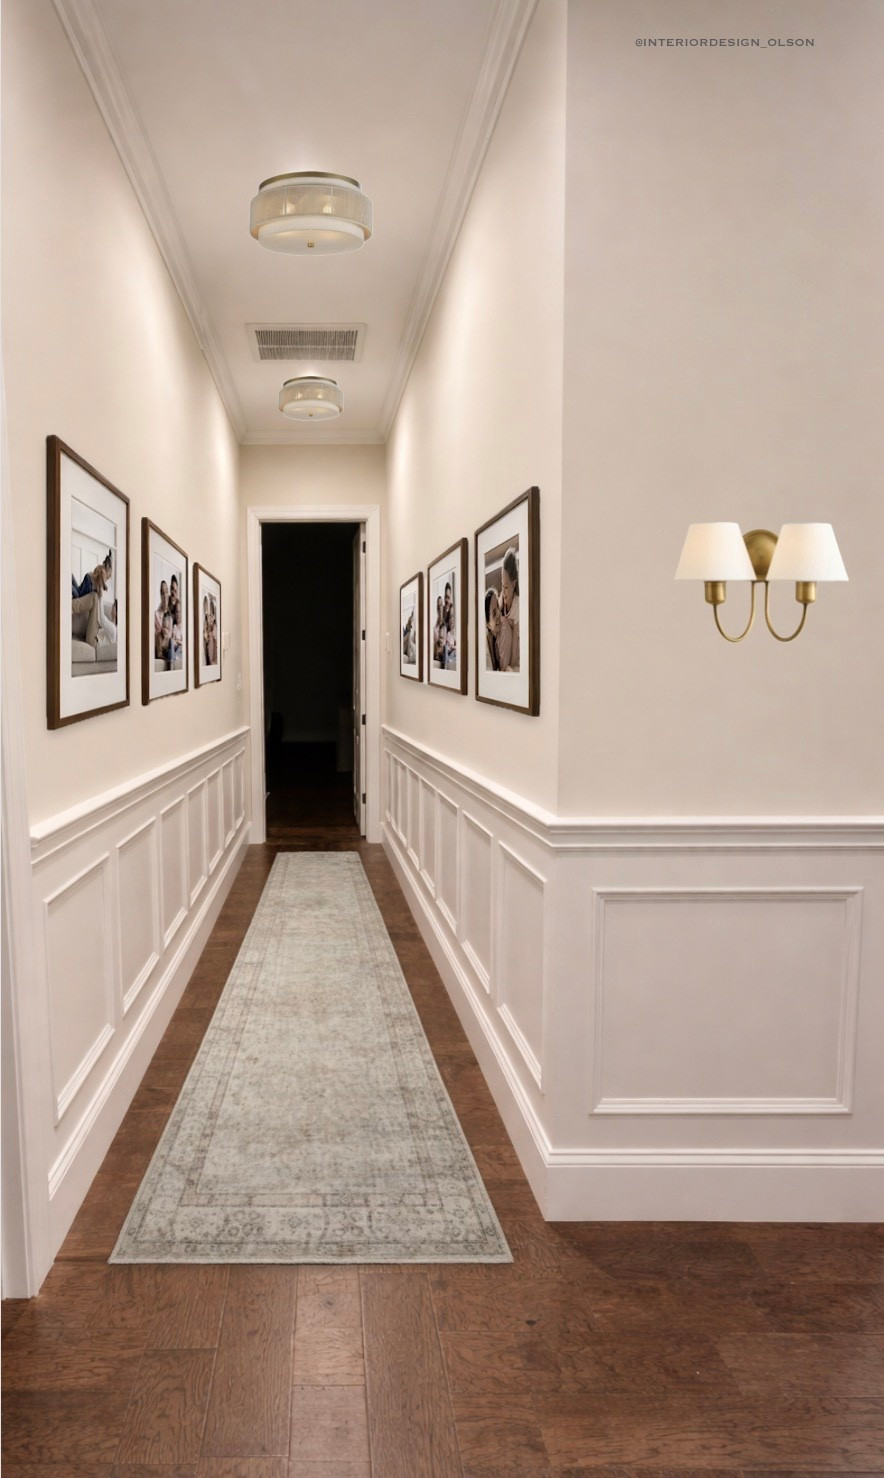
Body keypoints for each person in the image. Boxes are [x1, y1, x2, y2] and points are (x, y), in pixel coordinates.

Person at [496, 547, 520, 672]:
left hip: (514, 654)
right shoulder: (501, 600)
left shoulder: (517, 606)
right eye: (502, 585)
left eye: (506, 587)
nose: (503, 592)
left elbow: (515, 652)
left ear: (514, 584)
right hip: (503, 648)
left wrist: (510, 668)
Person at [484, 588, 502, 671]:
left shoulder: (499, 635)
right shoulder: (485, 652)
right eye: (494, 613)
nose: (499, 613)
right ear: (488, 624)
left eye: (498, 606)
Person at [433, 596, 445, 665]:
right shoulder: (435, 628)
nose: (439, 608)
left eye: (441, 605)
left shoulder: (446, 624)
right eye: (438, 606)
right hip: (438, 650)